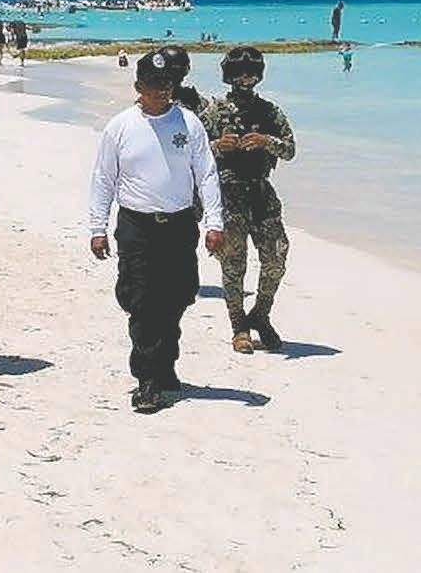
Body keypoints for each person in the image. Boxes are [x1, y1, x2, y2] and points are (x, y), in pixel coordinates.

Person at [86, 47, 225, 413]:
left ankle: (165, 365)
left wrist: (214, 223)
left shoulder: (189, 123)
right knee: (143, 301)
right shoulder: (120, 127)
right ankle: (147, 379)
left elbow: (207, 175)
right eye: (153, 85)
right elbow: (103, 179)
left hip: (179, 225)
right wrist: (98, 228)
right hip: (137, 226)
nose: (161, 91)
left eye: (166, 84)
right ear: (138, 87)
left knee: (178, 296)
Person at [201, 46, 297, 354]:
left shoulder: (269, 111)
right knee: (233, 264)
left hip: (261, 193)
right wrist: (219, 145)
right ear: (229, 75)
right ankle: (238, 325)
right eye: (240, 73)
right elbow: (192, 153)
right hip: (228, 196)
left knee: (277, 257)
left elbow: (290, 149)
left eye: (251, 74)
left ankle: (261, 314)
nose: (246, 79)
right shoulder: (214, 111)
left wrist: (266, 141)